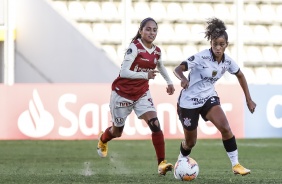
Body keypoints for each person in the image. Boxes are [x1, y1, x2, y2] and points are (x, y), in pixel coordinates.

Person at [173, 17, 256, 176]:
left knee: (225, 127)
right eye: (215, 44)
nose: (218, 48)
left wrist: (249, 99)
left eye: (221, 44)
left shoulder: (227, 62)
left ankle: (236, 164)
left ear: (226, 45)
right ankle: (181, 160)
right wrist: (183, 79)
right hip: (188, 102)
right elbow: (178, 69)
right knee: (191, 142)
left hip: (208, 98)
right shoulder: (201, 57)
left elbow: (240, 75)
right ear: (210, 43)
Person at [97, 17, 175, 176]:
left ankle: (161, 163)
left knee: (155, 123)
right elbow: (124, 72)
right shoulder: (135, 48)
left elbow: (160, 65)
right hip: (122, 94)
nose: (151, 32)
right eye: (148, 29)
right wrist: (145, 74)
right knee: (117, 132)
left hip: (141, 93)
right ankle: (103, 139)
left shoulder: (157, 51)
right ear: (141, 31)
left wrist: (169, 82)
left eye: (154, 30)